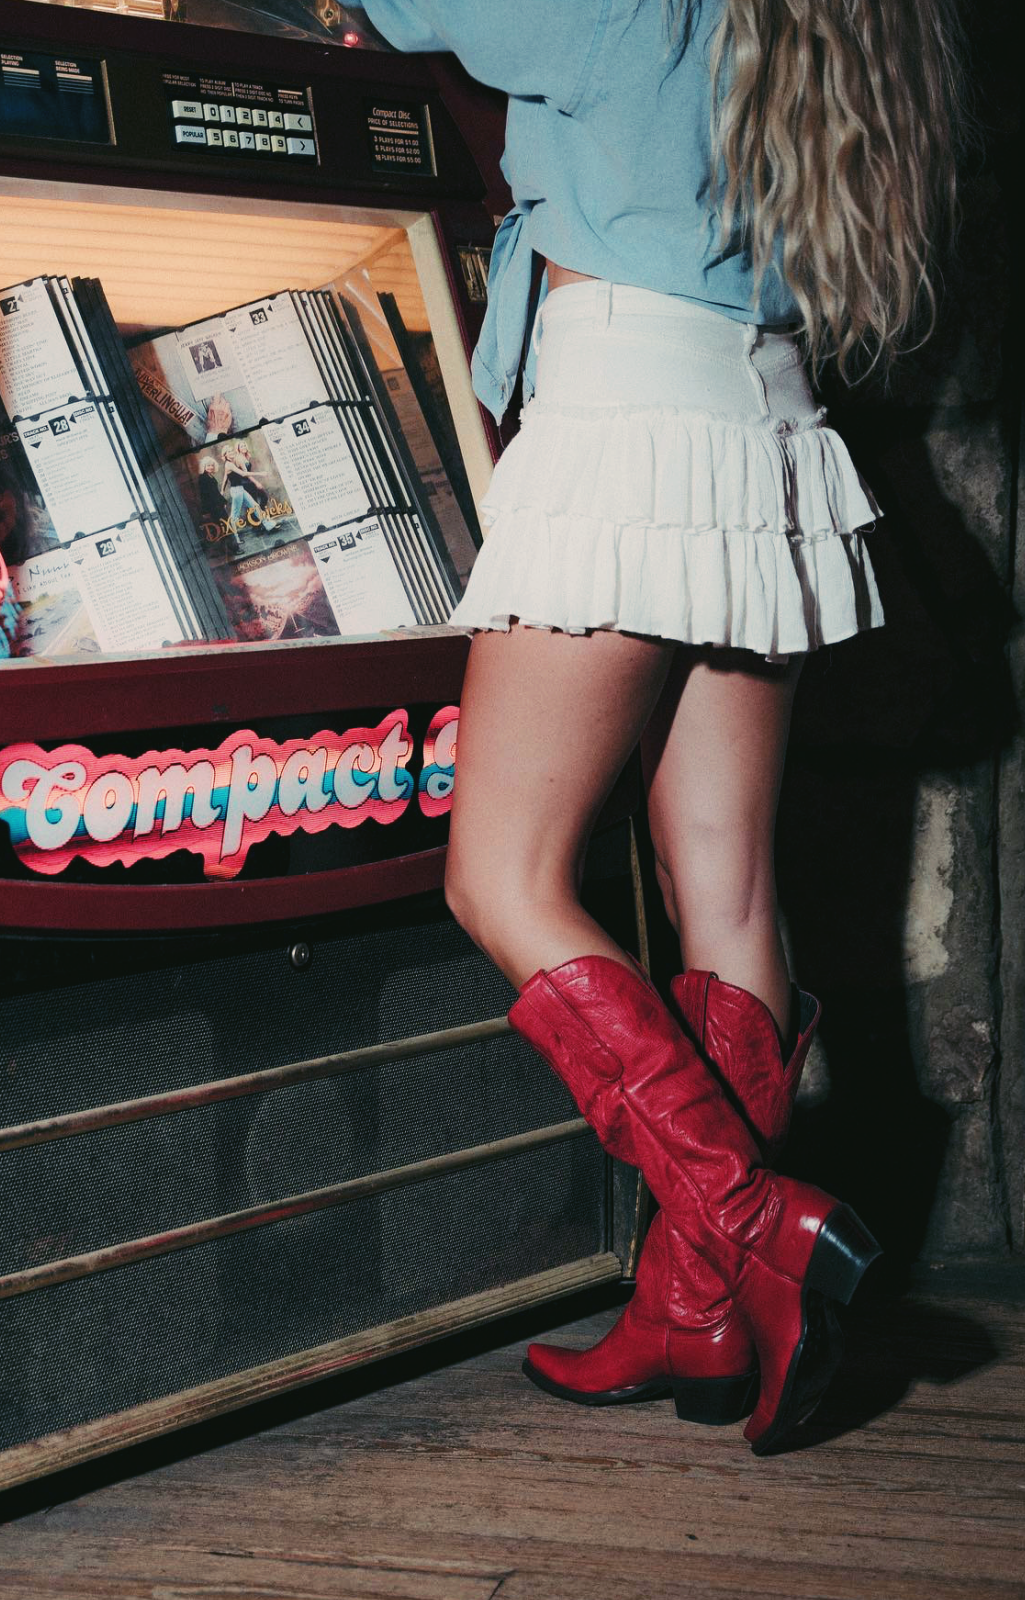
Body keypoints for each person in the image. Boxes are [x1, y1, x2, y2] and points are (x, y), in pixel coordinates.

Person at [356, 0, 963, 1452]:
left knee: (499, 876)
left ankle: (757, 1224)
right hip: (767, 412)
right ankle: (693, 1310)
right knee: (730, 886)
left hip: (628, 400)